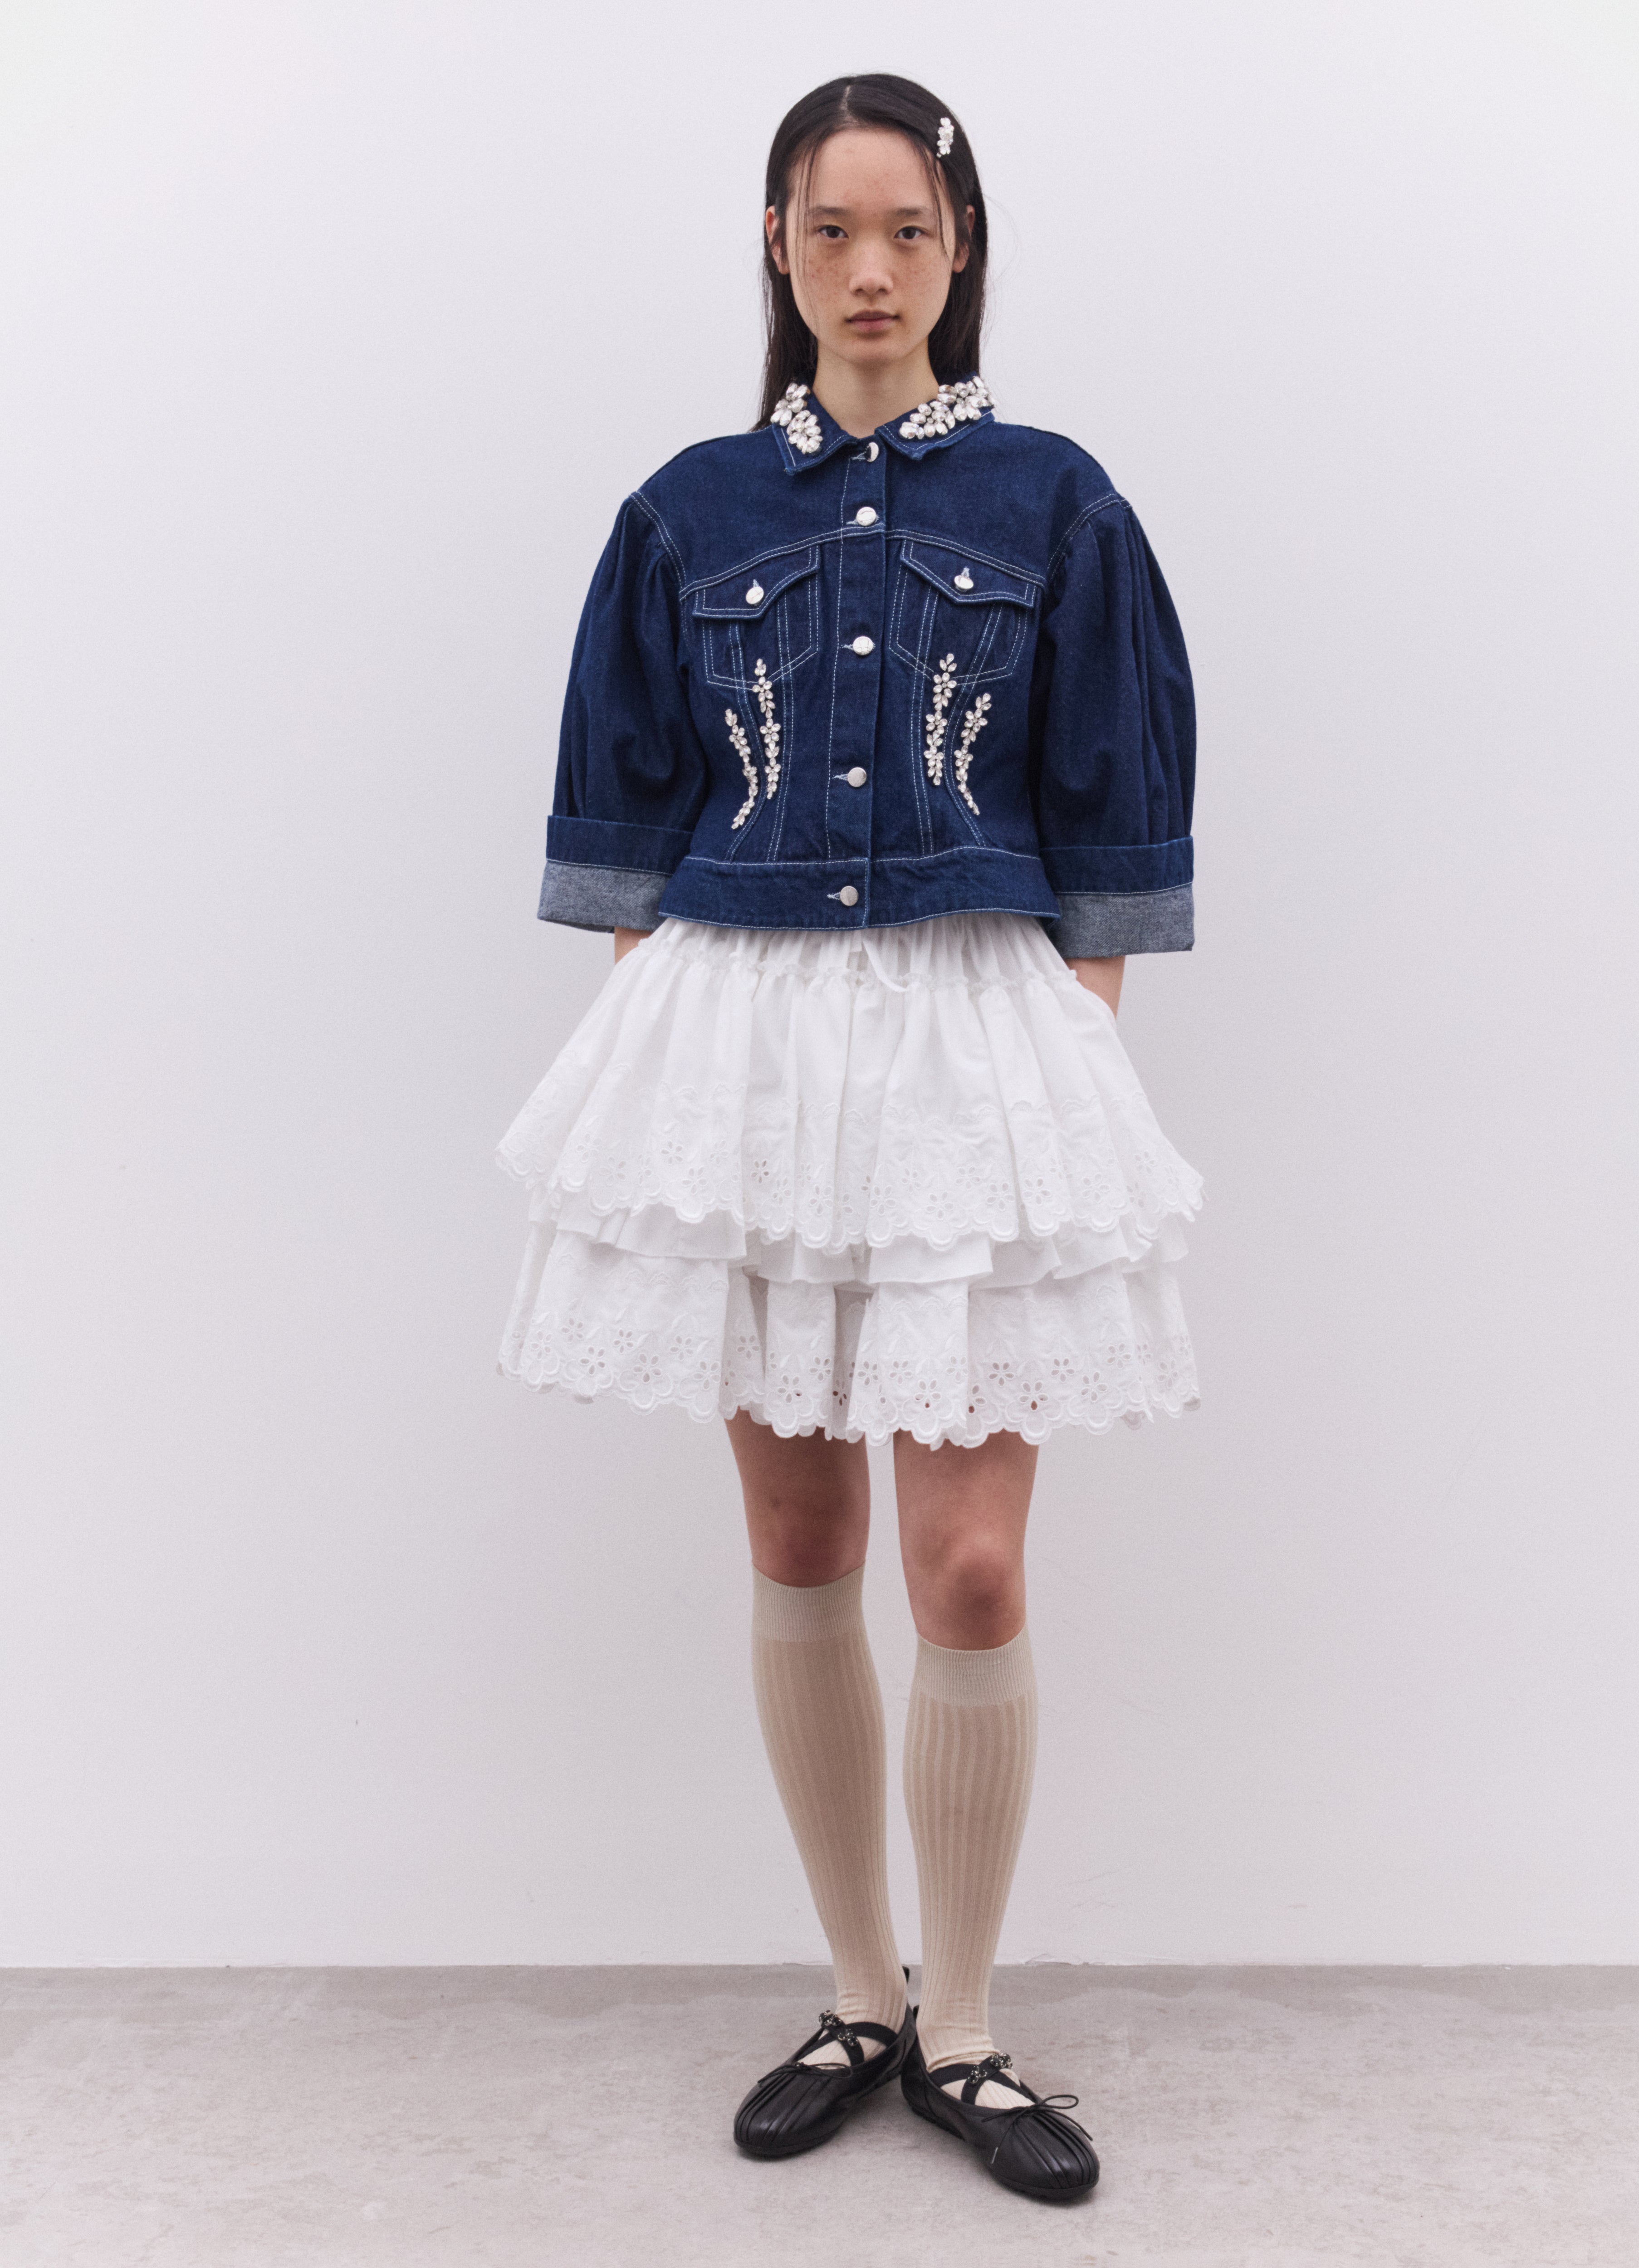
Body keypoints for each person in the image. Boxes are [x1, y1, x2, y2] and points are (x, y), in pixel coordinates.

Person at [496, 73, 1202, 2204]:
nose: (870, 270)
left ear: (958, 246)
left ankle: (965, 2028)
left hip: (974, 1037)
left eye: (907, 230)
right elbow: (628, 825)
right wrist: (692, 1094)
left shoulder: (1058, 501)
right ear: (778, 248)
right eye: (831, 231)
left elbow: (1115, 821)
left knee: (965, 1558)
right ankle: (858, 1991)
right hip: (747, 1044)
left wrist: (1057, 1063)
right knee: (800, 1541)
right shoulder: (685, 510)